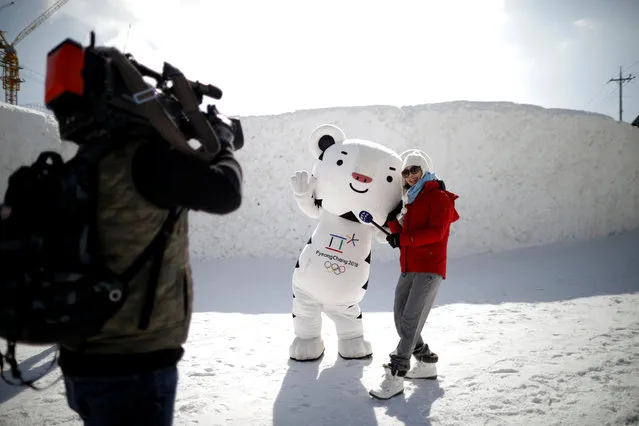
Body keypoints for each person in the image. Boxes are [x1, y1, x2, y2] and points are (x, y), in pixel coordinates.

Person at [57, 134, 243, 425]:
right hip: (133, 367)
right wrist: (222, 142)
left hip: (80, 358)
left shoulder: (86, 159)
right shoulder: (147, 159)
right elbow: (226, 191)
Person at [369, 149, 459, 400]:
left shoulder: (439, 197)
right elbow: (405, 234)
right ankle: (426, 361)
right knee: (401, 320)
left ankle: (397, 374)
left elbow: (436, 233)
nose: (409, 175)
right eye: (406, 172)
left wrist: (404, 238)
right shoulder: (411, 199)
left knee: (410, 321)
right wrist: (392, 223)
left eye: (414, 170)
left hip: (430, 269)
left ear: (425, 170)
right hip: (408, 267)